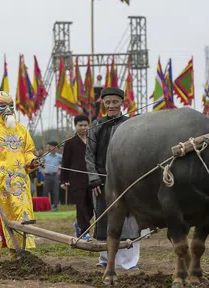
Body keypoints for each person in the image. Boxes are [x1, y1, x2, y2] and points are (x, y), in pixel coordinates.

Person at [0, 91, 40, 268]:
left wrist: (32, 160)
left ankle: (18, 257)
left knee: (22, 217)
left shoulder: (21, 129)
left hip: (21, 183)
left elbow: (28, 151)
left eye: (10, 105)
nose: (8, 109)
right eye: (3, 106)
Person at [85, 87, 140, 270]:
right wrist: (94, 179)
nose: (111, 105)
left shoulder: (131, 125)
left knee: (129, 220)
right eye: (107, 102)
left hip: (127, 181)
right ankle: (104, 260)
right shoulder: (96, 126)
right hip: (102, 182)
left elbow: (138, 153)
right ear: (103, 104)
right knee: (104, 219)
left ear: (121, 103)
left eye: (115, 102)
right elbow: (89, 155)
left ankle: (128, 262)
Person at [61, 115, 92, 241]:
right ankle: (85, 232)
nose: (83, 127)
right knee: (81, 206)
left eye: (85, 125)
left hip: (92, 179)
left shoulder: (92, 141)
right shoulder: (70, 143)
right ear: (76, 126)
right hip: (76, 180)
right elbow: (65, 163)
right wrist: (64, 180)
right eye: (80, 125)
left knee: (91, 207)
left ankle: (79, 225)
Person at [42, 141, 62, 211]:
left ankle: (55, 206)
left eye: (52, 146)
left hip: (55, 176)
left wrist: (60, 170)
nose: (50, 148)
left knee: (55, 191)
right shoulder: (45, 156)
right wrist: (42, 170)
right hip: (47, 176)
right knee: (45, 191)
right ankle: (45, 207)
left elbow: (64, 164)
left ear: (55, 147)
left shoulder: (59, 156)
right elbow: (40, 164)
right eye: (49, 146)